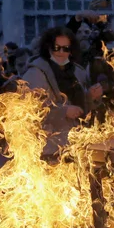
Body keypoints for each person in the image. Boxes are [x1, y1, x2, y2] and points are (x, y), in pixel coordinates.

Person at [21, 26, 103, 159]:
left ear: (71, 51)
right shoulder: (35, 73)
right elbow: (29, 113)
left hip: (78, 146)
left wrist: (90, 96)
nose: (61, 52)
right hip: (48, 149)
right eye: (56, 47)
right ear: (48, 48)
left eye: (66, 48)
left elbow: (85, 111)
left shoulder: (78, 72)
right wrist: (62, 111)